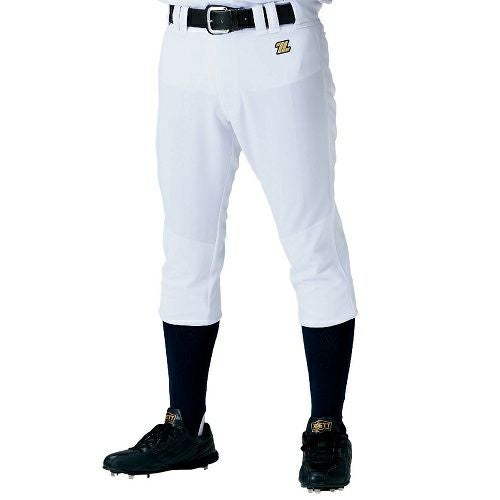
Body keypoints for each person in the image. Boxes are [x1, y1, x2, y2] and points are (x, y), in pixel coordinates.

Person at [103, 0, 357, 492]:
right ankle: (186, 426)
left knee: (312, 244)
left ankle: (326, 427)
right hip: (186, 43)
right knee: (186, 247)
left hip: (278, 39)